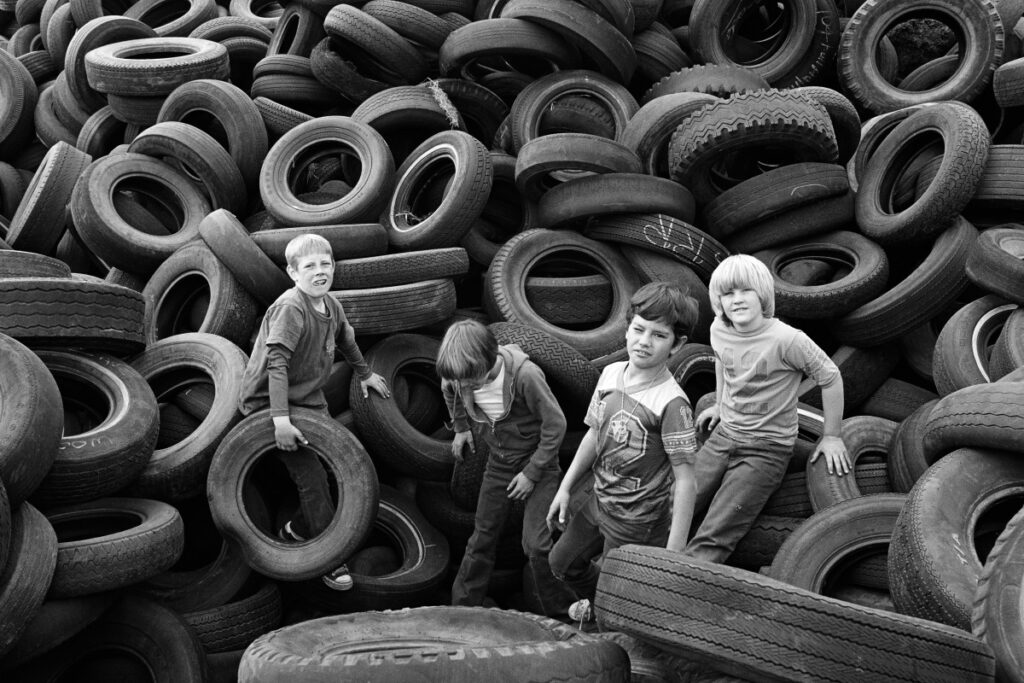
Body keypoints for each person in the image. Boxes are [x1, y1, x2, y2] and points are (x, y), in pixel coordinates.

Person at [238, 233, 389, 590]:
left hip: (308, 399)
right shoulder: (292, 308)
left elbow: (346, 339)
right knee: (312, 475)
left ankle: (298, 529)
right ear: (292, 272)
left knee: (337, 463)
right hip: (270, 403)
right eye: (310, 266)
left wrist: (365, 374)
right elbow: (276, 365)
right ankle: (329, 559)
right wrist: (279, 422)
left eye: (326, 264)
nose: (320, 272)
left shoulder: (331, 305)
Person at [547, 282, 700, 624]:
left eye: (659, 335)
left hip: (639, 522)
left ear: (678, 345)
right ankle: (602, 601)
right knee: (561, 564)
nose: (644, 341)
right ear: (627, 328)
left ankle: (610, 624)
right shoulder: (611, 374)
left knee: (616, 609)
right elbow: (592, 433)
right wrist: (565, 487)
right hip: (599, 501)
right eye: (638, 329)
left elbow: (687, 481)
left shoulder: (672, 404)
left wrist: (675, 554)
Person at [683, 254, 850, 563]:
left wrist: (832, 436)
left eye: (745, 291)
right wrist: (720, 403)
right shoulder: (719, 329)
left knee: (716, 532)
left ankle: (670, 595)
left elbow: (830, 377)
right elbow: (722, 360)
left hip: (766, 449)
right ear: (718, 301)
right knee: (677, 503)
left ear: (763, 294)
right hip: (725, 435)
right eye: (728, 294)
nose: (737, 300)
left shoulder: (787, 340)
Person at [437, 320, 569, 616]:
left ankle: (562, 610)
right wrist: (460, 427)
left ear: (489, 360)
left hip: (539, 463)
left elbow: (556, 424)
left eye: (471, 381)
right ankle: (462, 611)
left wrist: (532, 473)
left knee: (535, 545)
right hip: (499, 461)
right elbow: (449, 390)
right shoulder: (460, 377)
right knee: (482, 535)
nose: (465, 387)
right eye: (461, 381)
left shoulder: (525, 376)